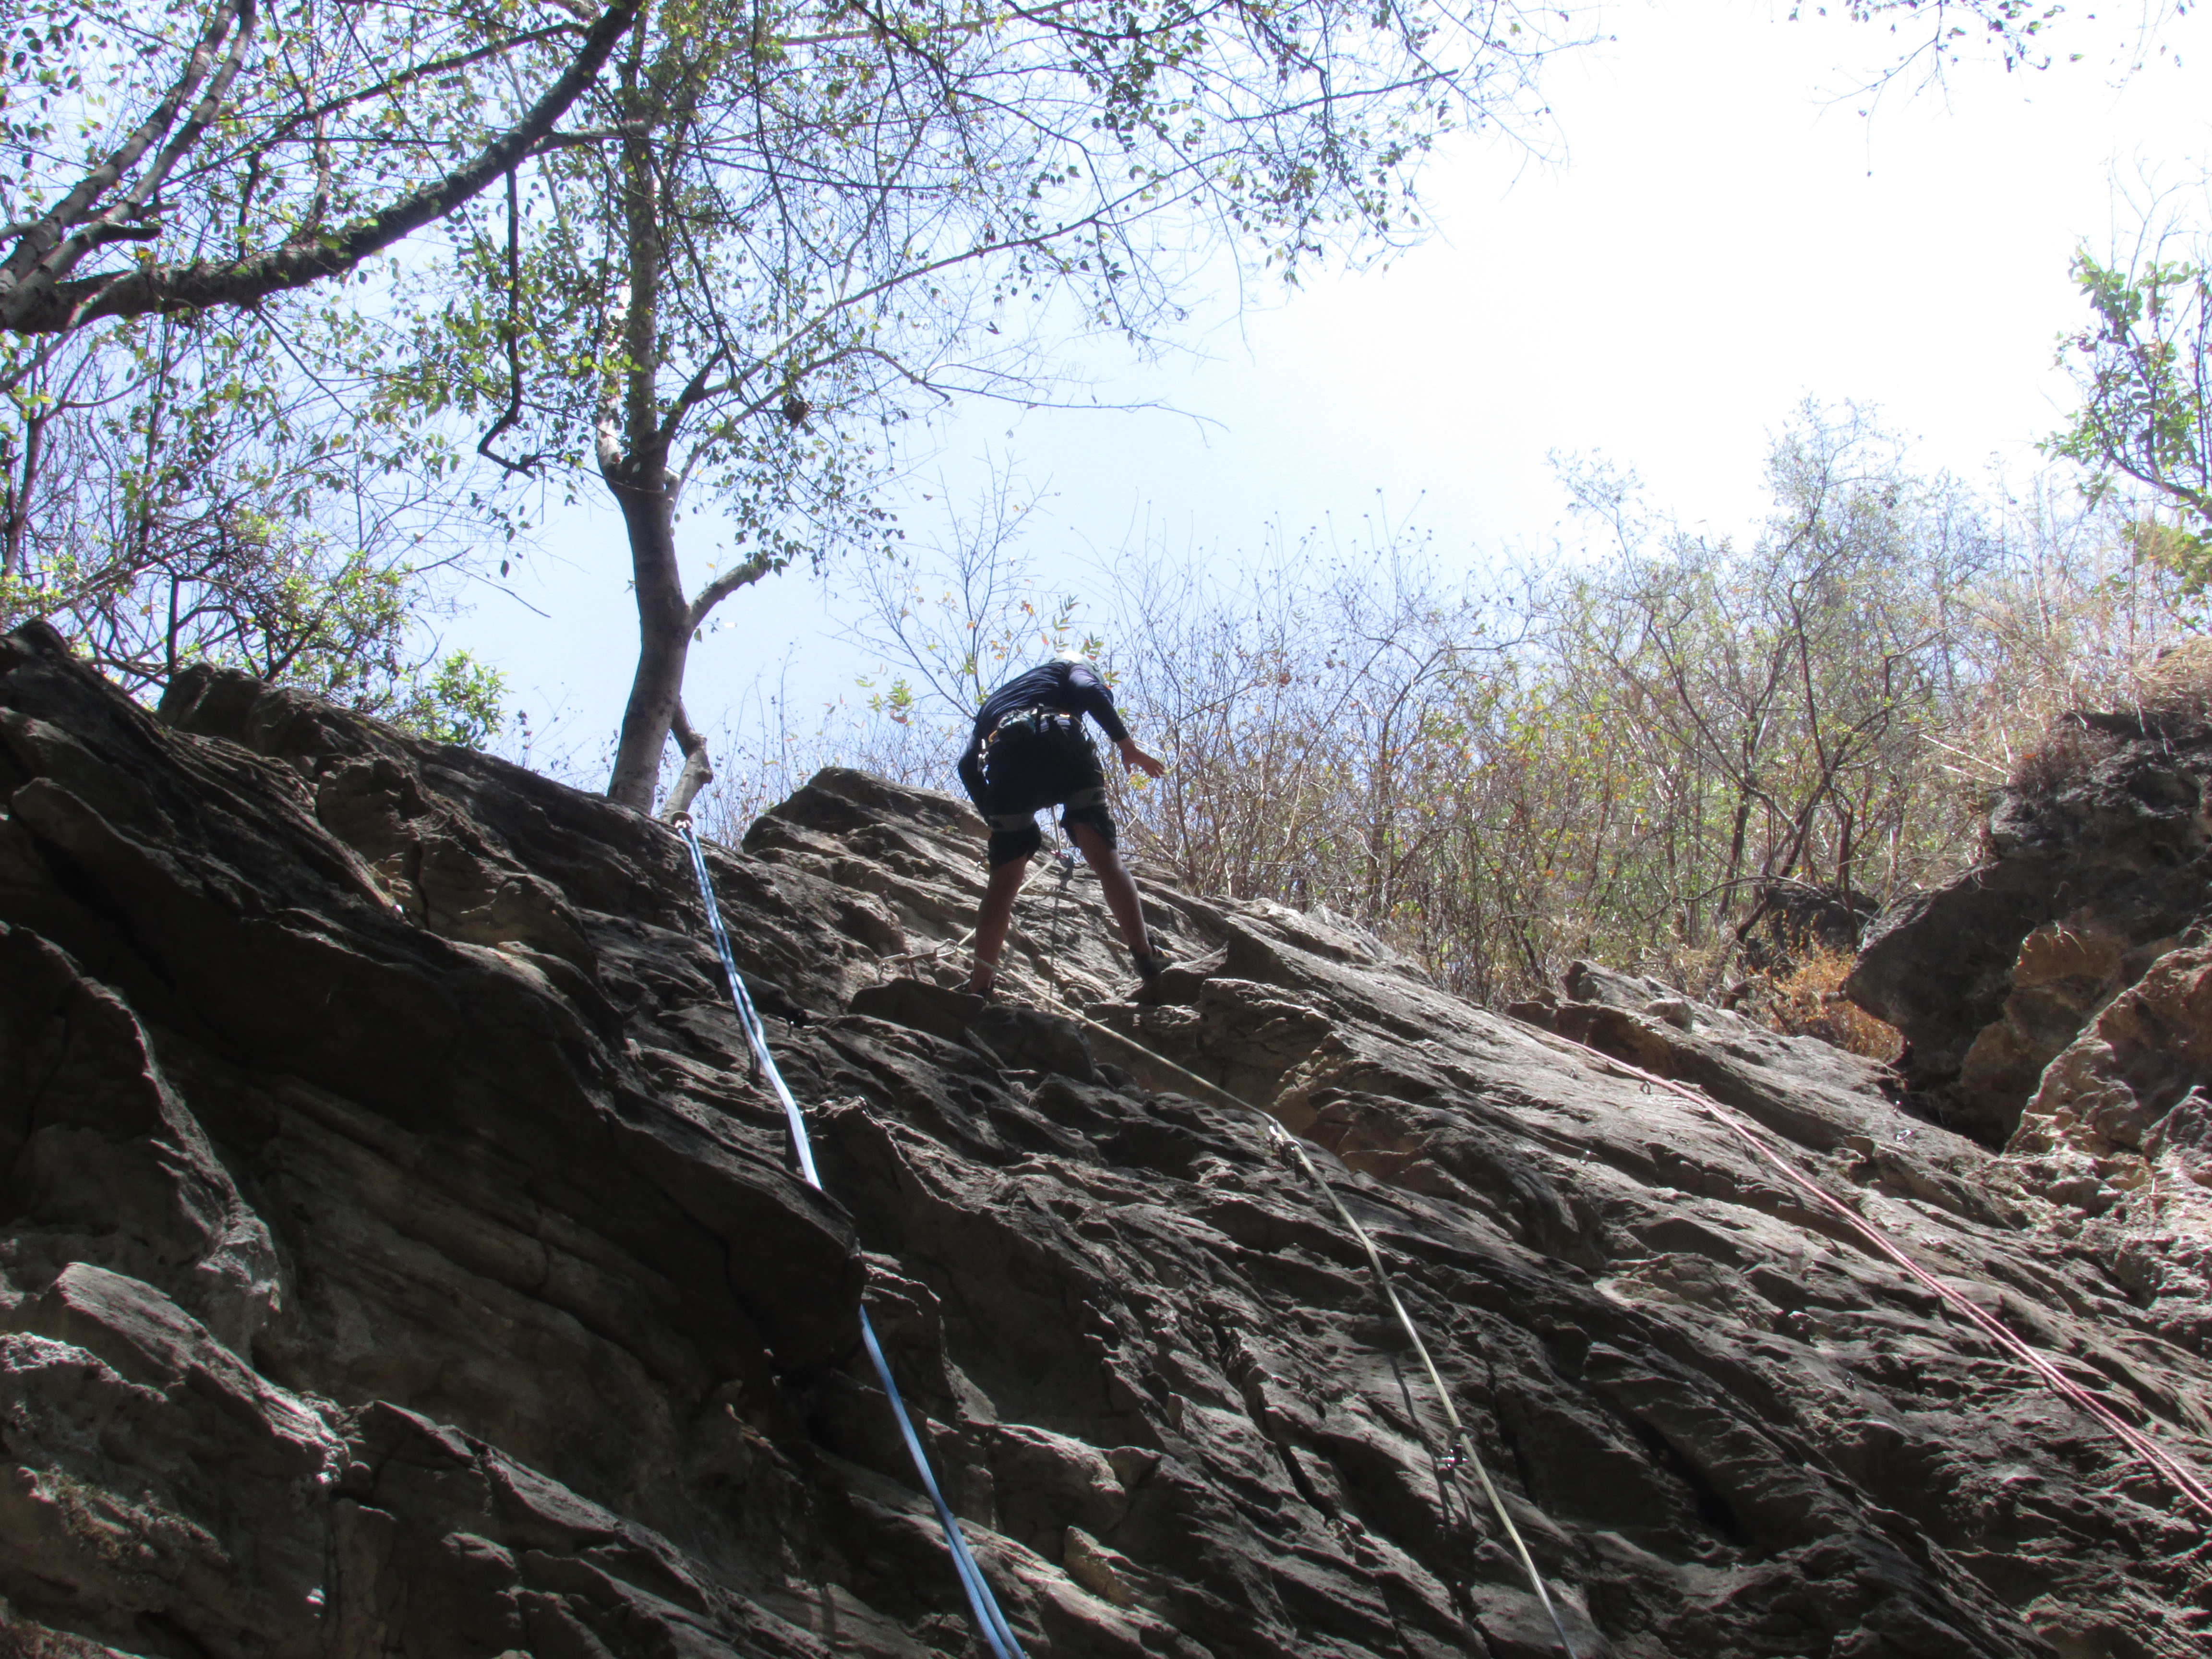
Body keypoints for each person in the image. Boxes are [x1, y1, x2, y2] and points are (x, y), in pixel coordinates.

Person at [956, 651, 1167, 997]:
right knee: (1105, 861)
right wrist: (1127, 746)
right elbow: (1090, 693)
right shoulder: (1070, 668)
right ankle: (1146, 958)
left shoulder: (993, 703)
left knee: (1003, 884)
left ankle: (979, 986)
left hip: (1007, 766)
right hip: (1062, 747)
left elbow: (967, 766)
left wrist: (994, 818)